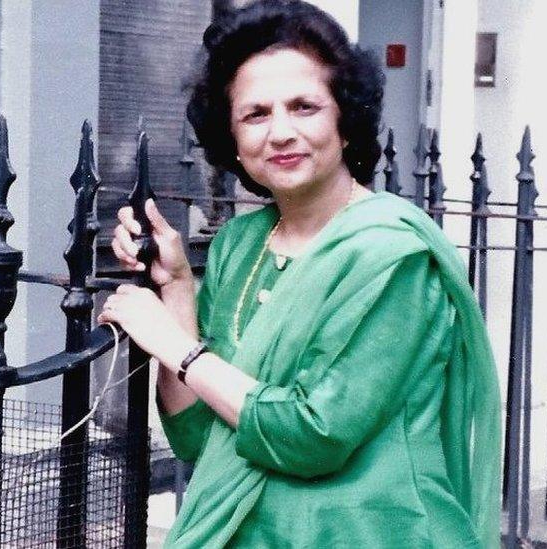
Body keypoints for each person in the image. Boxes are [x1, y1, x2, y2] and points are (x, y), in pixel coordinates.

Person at [101, 1, 501, 547]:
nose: (281, 132)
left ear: (344, 119)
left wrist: (173, 344)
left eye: (304, 106)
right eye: (256, 114)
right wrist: (176, 290)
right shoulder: (241, 244)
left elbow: (313, 435)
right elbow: (195, 433)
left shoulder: (392, 257)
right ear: (233, 139)